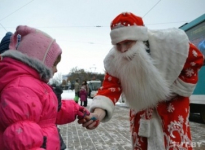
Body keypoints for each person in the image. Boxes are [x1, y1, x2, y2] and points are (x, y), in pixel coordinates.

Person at [79, 12, 204, 149]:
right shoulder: (114, 60)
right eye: (117, 45)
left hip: (172, 108)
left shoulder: (170, 44)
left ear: (139, 38)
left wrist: (174, 89)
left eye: (127, 42)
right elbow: (110, 88)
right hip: (141, 111)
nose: (123, 50)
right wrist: (97, 114)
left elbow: (196, 60)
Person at [0, 25, 89, 150]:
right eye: (54, 64)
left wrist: (75, 109)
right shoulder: (21, 88)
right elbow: (22, 138)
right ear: (40, 61)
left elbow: (48, 112)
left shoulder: (35, 85)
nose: (56, 70)